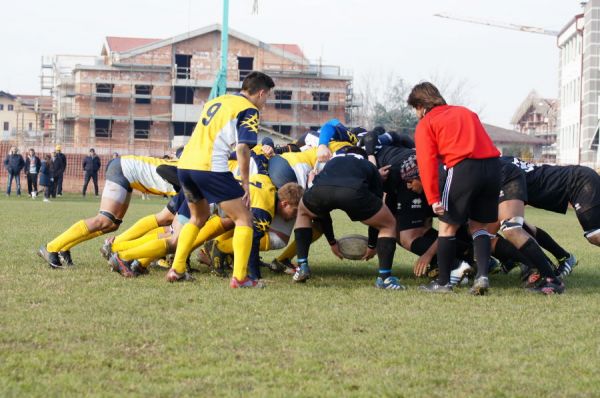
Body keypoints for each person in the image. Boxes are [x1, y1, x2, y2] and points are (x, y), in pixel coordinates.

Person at [172, 71, 275, 288]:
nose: (266, 102)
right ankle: (240, 277)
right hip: (210, 167)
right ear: (261, 93)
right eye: (267, 97)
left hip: (186, 165)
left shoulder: (218, 101)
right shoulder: (249, 109)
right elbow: (242, 148)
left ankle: (177, 268)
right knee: (245, 219)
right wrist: (245, 183)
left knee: (197, 217)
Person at [408, 82, 502, 295]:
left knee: (446, 227)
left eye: (415, 108)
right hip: (494, 167)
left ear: (421, 105)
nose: (416, 114)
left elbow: (426, 162)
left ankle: (443, 283)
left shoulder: (427, 123)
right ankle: (482, 276)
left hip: (464, 168)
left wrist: (432, 198)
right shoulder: (466, 112)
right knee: (479, 227)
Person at [292, 146, 406, 290]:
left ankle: (302, 266)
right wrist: (372, 245)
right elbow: (377, 209)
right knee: (388, 224)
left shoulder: (332, 163)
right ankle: (385, 278)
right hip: (353, 192)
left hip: (321, 190)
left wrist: (332, 241)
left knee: (303, 212)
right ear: (363, 157)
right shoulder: (368, 165)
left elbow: (322, 215)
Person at [38, 155, 178, 268]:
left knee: (111, 224)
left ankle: (64, 247)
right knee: (104, 220)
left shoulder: (192, 169)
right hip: (123, 169)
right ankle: (51, 248)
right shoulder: (193, 175)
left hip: (127, 169)